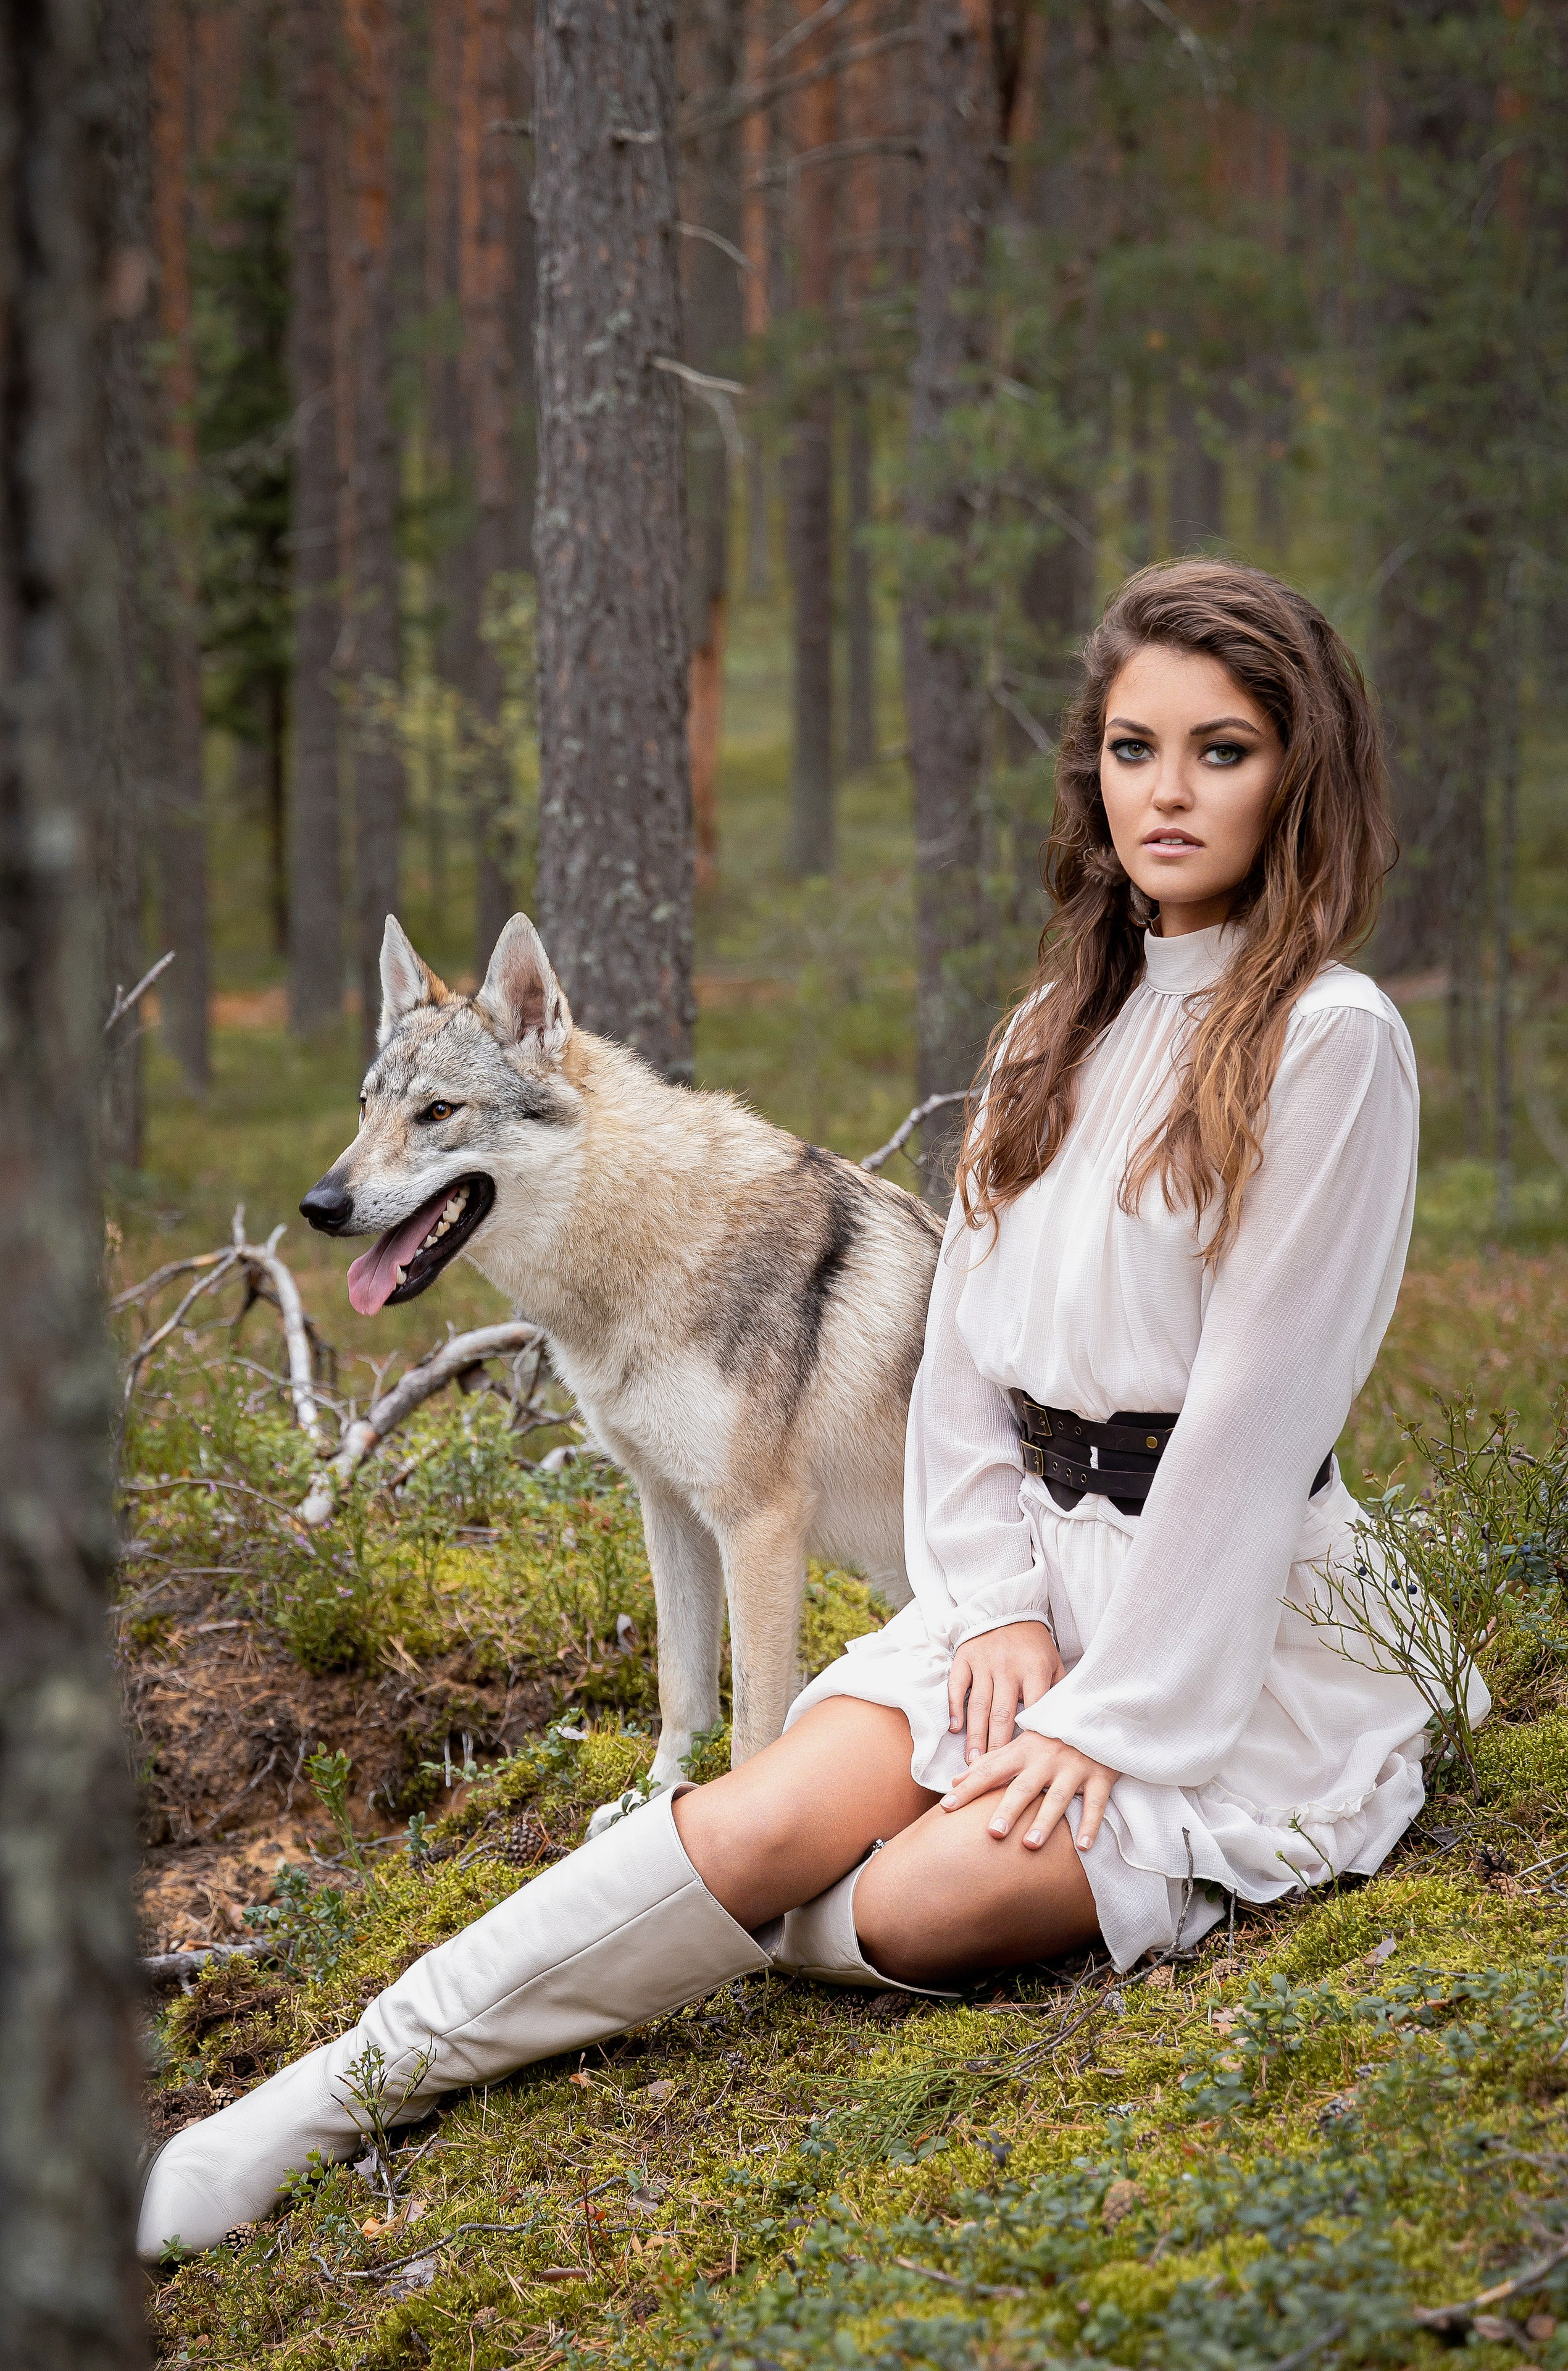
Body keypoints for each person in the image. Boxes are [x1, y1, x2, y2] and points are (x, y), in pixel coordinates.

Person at [139, 558, 1472, 2261]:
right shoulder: (1053, 1026)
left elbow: (1252, 1430)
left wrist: (1109, 1721)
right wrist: (989, 1606)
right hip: (1029, 1581)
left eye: (1224, 750)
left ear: (1300, 772)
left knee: (910, 1902)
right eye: (1136, 748)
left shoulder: (1331, 1043)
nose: (1170, 791)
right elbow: (971, 1363)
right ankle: (319, 2096)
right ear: (1095, 770)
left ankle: (771, 1901)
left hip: (1225, 1630)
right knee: (754, 1820)